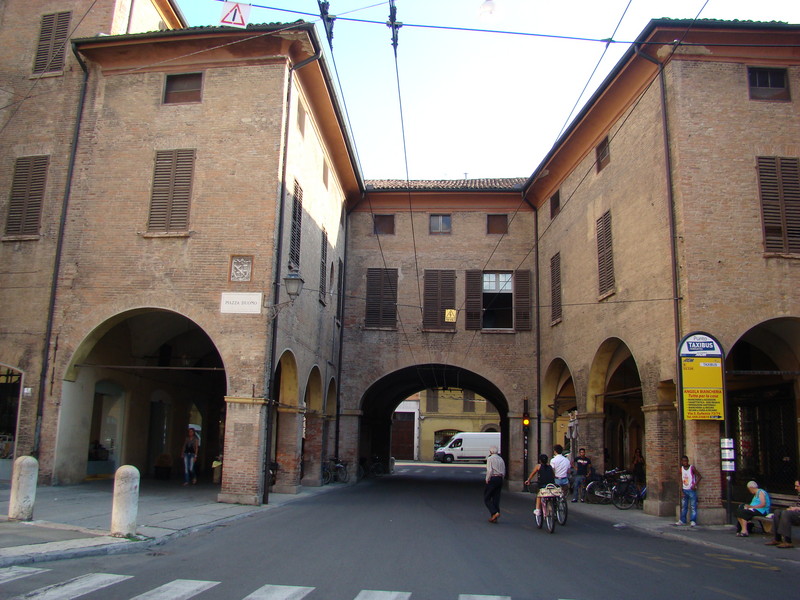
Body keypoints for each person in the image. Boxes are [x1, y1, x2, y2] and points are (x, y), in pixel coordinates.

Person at [765, 479, 800, 549]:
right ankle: (777, 539)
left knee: (786, 513)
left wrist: (796, 508)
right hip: (796, 513)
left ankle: (788, 541)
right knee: (777, 512)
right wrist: (792, 508)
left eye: (797, 486)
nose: (795, 488)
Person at [525, 453, 555, 518]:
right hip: (551, 485)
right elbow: (553, 475)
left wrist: (528, 480)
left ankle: (538, 510)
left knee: (539, 495)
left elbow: (533, 473)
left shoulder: (538, 466)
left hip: (543, 485)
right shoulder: (550, 466)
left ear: (540, 460)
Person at [676, 455, 701, 527]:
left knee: (693, 506)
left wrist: (695, 484)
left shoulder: (692, 468)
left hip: (691, 489)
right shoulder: (681, 469)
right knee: (684, 506)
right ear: (681, 462)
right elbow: (680, 479)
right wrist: (681, 489)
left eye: (686, 461)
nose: (685, 462)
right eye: (683, 461)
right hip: (684, 489)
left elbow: (699, 476)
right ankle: (682, 520)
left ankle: (693, 520)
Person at [484, 446, 505, 523]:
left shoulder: (490, 459)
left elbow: (489, 470)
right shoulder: (501, 459)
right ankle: (494, 516)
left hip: (493, 478)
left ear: (490, 452)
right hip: (500, 478)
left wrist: (487, 479)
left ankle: (494, 512)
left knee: (487, 497)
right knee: (496, 497)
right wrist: (502, 478)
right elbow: (504, 470)